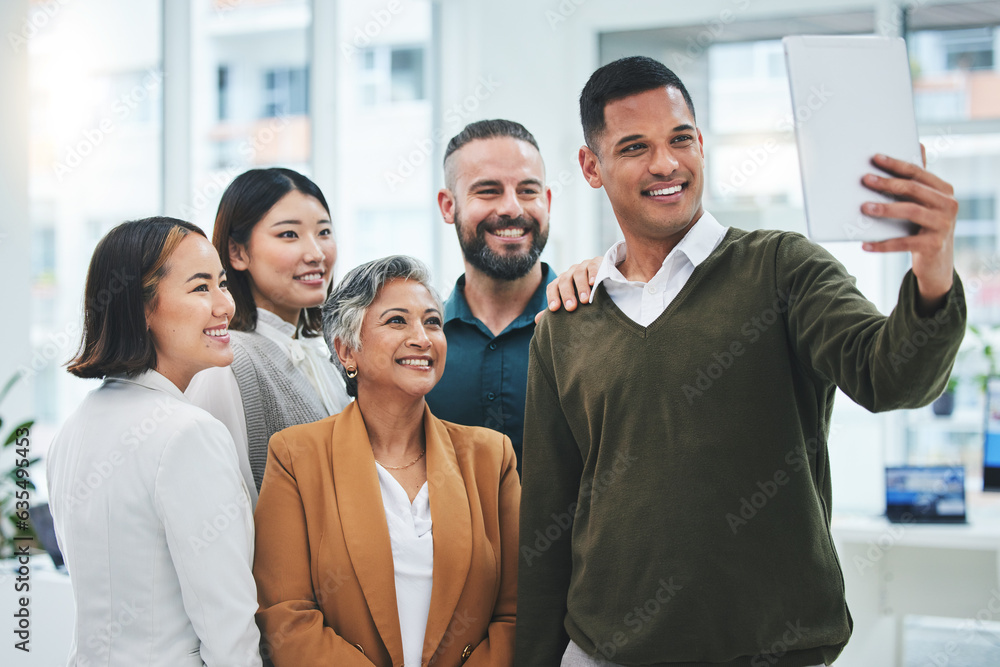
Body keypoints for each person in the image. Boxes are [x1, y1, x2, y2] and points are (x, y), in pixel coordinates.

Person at [516, 56, 966, 667]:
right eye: (635, 147)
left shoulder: (783, 268)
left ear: (700, 143)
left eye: (680, 139)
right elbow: (548, 525)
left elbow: (892, 376)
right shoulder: (567, 324)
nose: (666, 164)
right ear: (591, 167)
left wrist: (932, 265)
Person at [253, 255, 520, 667]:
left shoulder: (491, 457)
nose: (422, 337)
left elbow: (515, 614)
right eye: (398, 321)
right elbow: (287, 618)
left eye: (432, 321)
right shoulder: (295, 456)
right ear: (346, 351)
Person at [47, 217, 261, 666]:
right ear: (141, 307)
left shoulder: (74, 427)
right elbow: (229, 630)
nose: (225, 304)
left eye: (222, 283)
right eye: (201, 288)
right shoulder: (189, 433)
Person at [187, 168, 350, 506]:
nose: (316, 253)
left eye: (324, 232)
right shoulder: (228, 363)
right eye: (289, 235)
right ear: (237, 253)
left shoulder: (323, 356)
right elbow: (227, 509)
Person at [426, 119, 556, 472]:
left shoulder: (594, 325)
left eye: (528, 191)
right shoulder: (420, 347)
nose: (512, 208)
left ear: (546, 200)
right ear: (448, 205)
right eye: (488, 191)